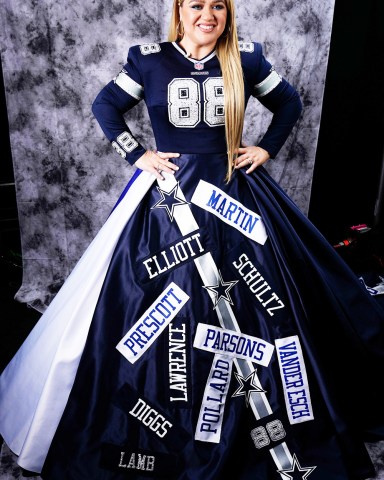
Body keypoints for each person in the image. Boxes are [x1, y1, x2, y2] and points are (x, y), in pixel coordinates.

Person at [1, 0, 384, 479]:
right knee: (157, 298)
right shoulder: (149, 58)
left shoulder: (245, 57)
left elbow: (289, 102)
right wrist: (137, 155)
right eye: (197, 5)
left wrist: (267, 147)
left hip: (235, 192)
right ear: (180, 12)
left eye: (218, 6)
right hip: (170, 194)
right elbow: (106, 105)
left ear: (228, 13)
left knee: (267, 300)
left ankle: (268, 415)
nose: (208, 14)